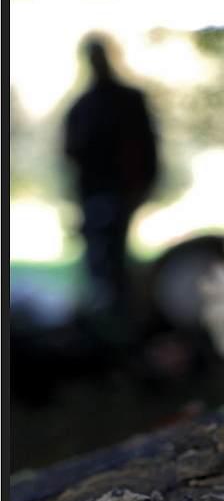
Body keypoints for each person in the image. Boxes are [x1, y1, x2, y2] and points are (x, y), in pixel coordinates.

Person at [64, 36, 158, 321]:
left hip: (121, 191)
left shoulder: (127, 101)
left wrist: (142, 184)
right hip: (94, 193)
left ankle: (122, 320)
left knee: (116, 258)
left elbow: (146, 146)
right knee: (98, 259)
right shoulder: (83, 107)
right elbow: (71, 152)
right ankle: (103, 321)